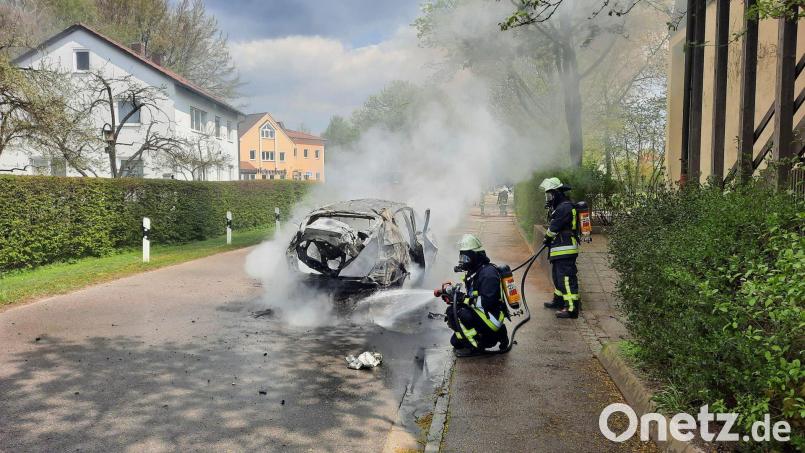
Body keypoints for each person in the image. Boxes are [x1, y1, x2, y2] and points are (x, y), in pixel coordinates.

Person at [442, 234, 509, 357]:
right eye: (461, 257)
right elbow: (473, 294)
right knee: (455, 342)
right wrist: (453, 295)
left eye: (465, 257)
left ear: (474, 256)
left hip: (491, 318)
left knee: (454, 312)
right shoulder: (476, 270)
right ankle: (497, 334)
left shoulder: (488, 274)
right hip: (485, 314)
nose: (463, 261)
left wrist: (462, 299)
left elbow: (487, 302)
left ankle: (475, 347)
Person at [539, 177, 581, 319]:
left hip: (566, 248)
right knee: (558, 278)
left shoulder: (565, 207)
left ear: (556, 193)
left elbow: (554, 227)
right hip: (560, 248)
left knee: (566, 279)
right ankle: (559, 301)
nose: (548, 198)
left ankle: (571, 308)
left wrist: (547, 237)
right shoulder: (560, 207)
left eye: (549, 194)